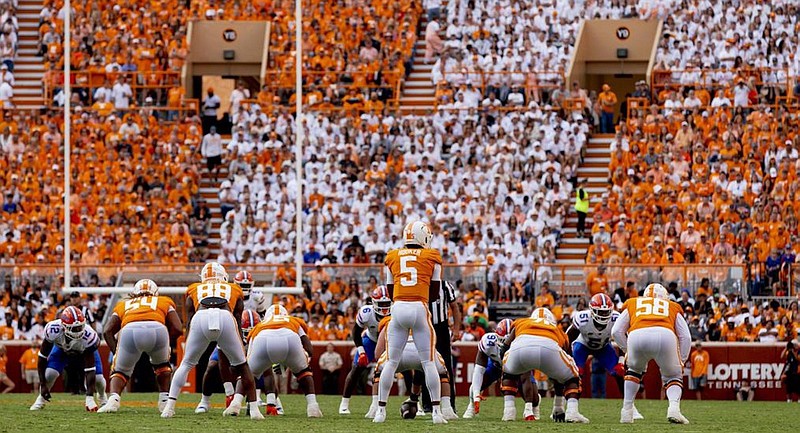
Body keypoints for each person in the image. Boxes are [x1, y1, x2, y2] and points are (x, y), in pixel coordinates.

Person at [161, 262, 260, 419]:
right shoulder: (234, 288)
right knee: (243, 365)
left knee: (186, 364)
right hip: (225, 316)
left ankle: (169, 407)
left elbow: (189, 317)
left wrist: (188, 342)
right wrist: (239, 345)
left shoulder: (194, 288)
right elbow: (237, 317)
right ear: (223, 276)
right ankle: (254, 410)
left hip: (201, 317)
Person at [374, 221, 445, 424]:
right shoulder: (432, 256)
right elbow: (435, 290)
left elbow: (389, 289)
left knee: (391, 362)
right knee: (428, 362)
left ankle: (380, 412)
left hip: (398, 308)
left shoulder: (393, 256)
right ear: (422, 237)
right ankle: (437, 413)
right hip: (419, 307)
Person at [99, 279, 183, 413]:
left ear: (134, 293)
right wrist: (168, 341)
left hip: (130, 330)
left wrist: (117, 351)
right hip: (157, 329)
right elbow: (178, 328)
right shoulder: (164, 301)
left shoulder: (124, 304)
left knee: (120, 371)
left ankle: (113, 399)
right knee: (162, 366)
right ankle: (164, 400)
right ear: (155, 292)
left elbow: (107, 331)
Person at [612, 283, 691, 424]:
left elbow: (616, 331)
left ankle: (626, 411)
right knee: (673, 375)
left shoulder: (633, 302)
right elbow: (685, 337)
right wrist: (682, 360)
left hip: (637, 334)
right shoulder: (672, 305)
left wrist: (627, 349)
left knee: (634, 371)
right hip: (665, 334)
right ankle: (674, 409)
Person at [503, 308, 589, 423]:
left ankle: (509, 411)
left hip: (520, 346)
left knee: (508, 374)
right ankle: (571, 412)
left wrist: (508, 369)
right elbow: (567, 356)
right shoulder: (556, 329)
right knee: (572, 377)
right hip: (549, 347)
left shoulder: (522, 321)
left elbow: (505, 346)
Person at [366, 314, 457, 421]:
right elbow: (432, 342)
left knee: (378, 372)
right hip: (421, 353)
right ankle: (443, 410)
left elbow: (377, 354)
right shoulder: (425, 318)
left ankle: (378, 409)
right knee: (442, 373)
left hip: (397, 354)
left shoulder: (389, 321)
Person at [566, 293, 642, 418]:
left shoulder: (616, 318)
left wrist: (621, 360)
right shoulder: (582, 318)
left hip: (603, 347)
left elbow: (624, 340)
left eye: (606, 312)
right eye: (600, 312)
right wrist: (569, 358)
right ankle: (568, 408)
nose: (604, 315)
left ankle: (630, 408)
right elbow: (567, 338)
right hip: (582, 345)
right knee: (574, 374)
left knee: (620, 372)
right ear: (592, 310)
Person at [243, 304, 322, 417]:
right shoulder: (292, 320)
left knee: (247, 373)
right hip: (290, 337)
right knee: (304, 372)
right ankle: (312, 406)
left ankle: (236, 404)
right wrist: (303, 361)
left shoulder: (261, 324)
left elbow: (249, 352)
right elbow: (308, 347)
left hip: (262, 338)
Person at [30, 306, 108, 411]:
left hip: (83, 352)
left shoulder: (89, 336)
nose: (78, 331)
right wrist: (43, 385)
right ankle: (41, 398)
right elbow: (42, 357)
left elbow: (90, 368)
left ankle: (102, 396)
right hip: (62, 350)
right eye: (74, 328)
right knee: (49, 374)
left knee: (98, 378)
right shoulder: (53, 329)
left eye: (80, 327)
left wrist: (89, 397)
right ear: (64, 326)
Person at [463, 319, 538, 420]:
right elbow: (478, 370)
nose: (504, 345)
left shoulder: (522, 344)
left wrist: (528, 407)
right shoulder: (488, 342)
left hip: (515, 365)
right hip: (496, 366)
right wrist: (476, 394)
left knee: (533, 397)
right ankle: (471, 406)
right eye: (502, 341)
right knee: (477, 384)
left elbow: (525, 377)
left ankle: (534, 407)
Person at [196, 309, 262, 413]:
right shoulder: (230, 332)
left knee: (253, 369)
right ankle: (204, 401)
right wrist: (229, 392)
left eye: (251, 331)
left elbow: (264, 369)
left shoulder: (260, 336)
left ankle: (254, 401)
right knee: (212, 365)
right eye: (245, 332)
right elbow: (223, 361)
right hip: (231, 350)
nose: (248, 335)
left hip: (248, 354)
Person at [339, 286, 392, 414]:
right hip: (371, 340)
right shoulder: (366, 312)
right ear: (374, 303)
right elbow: (356, 333)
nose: (384, 307)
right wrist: (361, 351)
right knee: (356, 368)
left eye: (386, 304)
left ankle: (415, 402)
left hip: (391, 342)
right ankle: (344, 404)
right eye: (381, 304)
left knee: (406, 369)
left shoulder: (396, 311)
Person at [418, 280, 461, 413]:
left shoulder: (445, 285)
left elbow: (454, 307)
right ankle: (427, 403)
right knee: (425, 364)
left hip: (441, 327)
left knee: (446, 366)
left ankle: (450, 404)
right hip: (425, 326)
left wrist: (456, 329)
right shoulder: (421, 284)